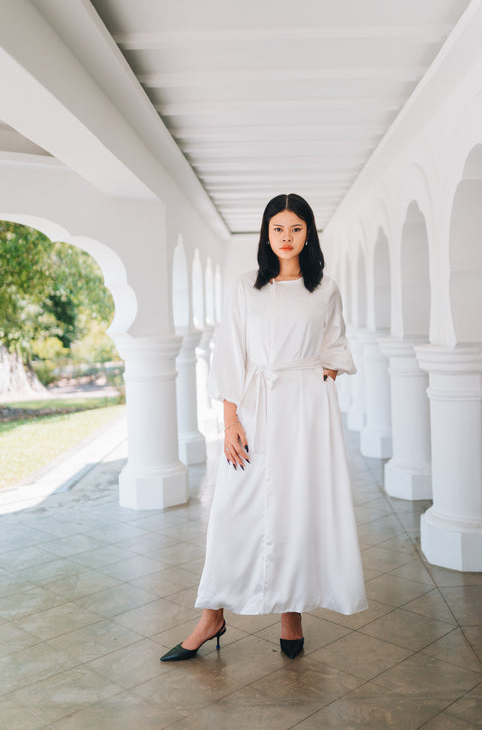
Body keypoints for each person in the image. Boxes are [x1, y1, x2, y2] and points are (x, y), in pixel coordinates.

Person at [161, 193, 367, 662]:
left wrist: (322, 377)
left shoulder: (325, 288)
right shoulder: (244, 287)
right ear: (266, 234)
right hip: (254, 405)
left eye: (296, 228)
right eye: (278, 229)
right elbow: (230, 354)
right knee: (232, 510)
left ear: (309, 232)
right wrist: (231, 420)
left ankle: (291, 613)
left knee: (298, 505)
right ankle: (212, 615)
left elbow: (335, 343)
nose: (287, 237)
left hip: (307, 412)